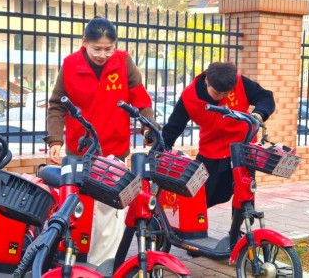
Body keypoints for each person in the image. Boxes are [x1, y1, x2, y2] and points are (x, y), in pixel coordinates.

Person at [43, 16, 157, 265]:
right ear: (84, 42)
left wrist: (149, 127)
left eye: (109, 48)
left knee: (110, 210)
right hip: (79, 149)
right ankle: (74, 258)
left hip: (113, 151)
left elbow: (140, 99)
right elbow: (56, 105)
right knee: (79, 207)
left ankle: (102, 264)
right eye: (97, 49)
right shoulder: (70, 65)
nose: (103, 54)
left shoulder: (124, 62)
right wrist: (54, 140)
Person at [162, 61, 275, 208]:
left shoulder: (240, 82)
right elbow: (175, 126)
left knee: (244, 196)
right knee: (201, 198)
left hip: (242, 148)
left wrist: (259, 114)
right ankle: (197, 230)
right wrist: (161, 147)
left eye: (226, 93)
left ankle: (240, 227)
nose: (221, 97)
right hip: (210, 152)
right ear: (207, 80)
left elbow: (266, 97)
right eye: (217, 92)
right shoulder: (190, 96)